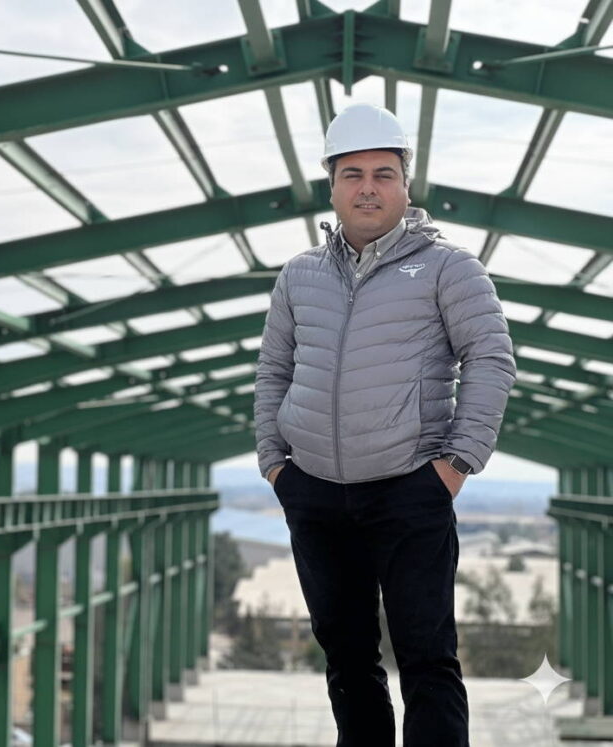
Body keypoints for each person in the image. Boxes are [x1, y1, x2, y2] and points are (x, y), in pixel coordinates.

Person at [254, 102, 516, 746]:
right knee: (346, 660)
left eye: (382, 173)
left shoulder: (450, 268)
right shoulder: (300, 274)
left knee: (427, 660)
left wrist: (454, 467)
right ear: (332, 185)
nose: (367, 187)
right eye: (352, 174)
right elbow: (272, 369)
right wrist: (274, 462)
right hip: (313, 491)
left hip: (409, 490)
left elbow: (491, 359)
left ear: (405, 184)